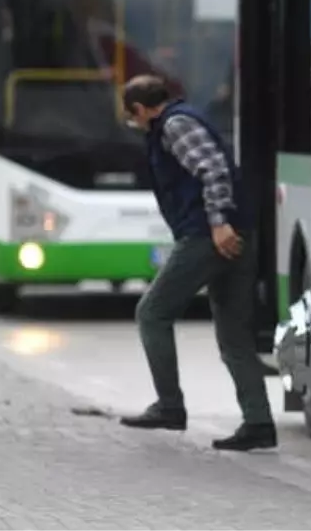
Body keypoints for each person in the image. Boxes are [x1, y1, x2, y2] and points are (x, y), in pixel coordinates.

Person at [118, 74, 276, 451]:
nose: (136, 124)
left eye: (133, 117)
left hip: (209, 236)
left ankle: (170, 405)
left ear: (140, 109)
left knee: (151, 313)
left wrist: (219, 222)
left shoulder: (174, 125)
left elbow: (213, 170)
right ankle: (258, 423)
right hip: (233, 233)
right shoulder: (182, 119)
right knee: (234, 335)